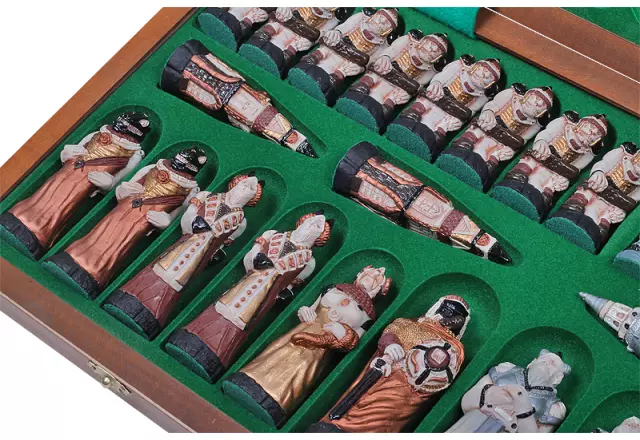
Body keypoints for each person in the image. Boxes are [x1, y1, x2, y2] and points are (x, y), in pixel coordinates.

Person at [165, 212, 333, 383]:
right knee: (222, 308)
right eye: (311, 221)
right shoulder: (273, 235)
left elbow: (289, 286)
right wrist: (257, 262)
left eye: (317, 226)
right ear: (302, 221)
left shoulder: (308, 261)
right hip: (247, 283)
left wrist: (278, 290)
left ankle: (214, 356)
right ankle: (192, 338)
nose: (311, 226)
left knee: (240, 323)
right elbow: (250, 258)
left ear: (319, 238)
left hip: (263, 296)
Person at [223, 266, 391, 428]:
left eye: (377, 279)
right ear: (360, 275)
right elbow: (311, 307)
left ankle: (276, 401)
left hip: (320, 347)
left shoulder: (367, 315)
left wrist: (341, 333)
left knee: (300, 368)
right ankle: (250, 380)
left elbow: (352, 342)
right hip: (303, 330)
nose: (372, 278)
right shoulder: (334, 288)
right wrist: (304, 311)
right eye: (370, 274)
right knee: (278, 353)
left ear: (378, 290)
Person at [103, 174, 262, 340]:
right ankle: (129, 297)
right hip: (186, 242)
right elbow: (189, 214)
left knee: (177, 282)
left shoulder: (240, 220)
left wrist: (213, 245)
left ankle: (151, 314)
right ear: (235, 184)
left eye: (249, 191)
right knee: (160, 267)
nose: (244, 190)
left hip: (200, 254)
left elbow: (225, 241)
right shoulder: (208, 196)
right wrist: (193, 223)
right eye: (243, 185)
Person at [44, 148, 206, 299]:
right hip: (125, 207)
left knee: (119, 243)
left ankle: (94, 273)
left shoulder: (189, 190)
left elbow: (177, 215)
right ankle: (73, 257)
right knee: (100, 232)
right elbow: (127, 185)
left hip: (143, 221)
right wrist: (125, 190)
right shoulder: (154, 168)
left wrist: (166, 220)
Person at [308, 295, 470, 433]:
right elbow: (390, 333)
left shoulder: (454, 349)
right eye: (446, 310)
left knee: (387, 418)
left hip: (409, 392)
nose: (447, 316)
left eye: (456, 315)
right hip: (383, 371)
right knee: (356, 402)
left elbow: (444, 377)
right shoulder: (408, 323)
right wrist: (390, 345)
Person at [0, 112, 150, 259]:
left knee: (63, 205)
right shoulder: (98, 134)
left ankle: (38, 234)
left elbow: (122, 179)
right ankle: (18, 217)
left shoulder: (133, 154)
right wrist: (69, 153)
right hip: (68, 172)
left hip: (85, 184)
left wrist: (108, 183)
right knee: (46, 192)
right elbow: (76, 148)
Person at [161, 39, 317, 157]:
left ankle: (182, 72)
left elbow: (242, 122)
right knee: (211, 73)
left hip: (236, 104)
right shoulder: (266, 113)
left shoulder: (266, 128)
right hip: (237, 92)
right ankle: (186, 66)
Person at [436, 84, 554, 191]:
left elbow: (524, 139)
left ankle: (484, 172)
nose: (534, 103)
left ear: (541, 113)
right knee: (474, 135)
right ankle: (458, 151)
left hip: (502, 142)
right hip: (487, 127)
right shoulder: (511, 96)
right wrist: (488, 112)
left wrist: (511, 150)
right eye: (533, 98)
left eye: (539, 105)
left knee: (489, 156)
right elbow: (493, 104)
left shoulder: (534, 124)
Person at [493, 112, 608, 221]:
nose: (590, 133)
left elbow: (578, 166)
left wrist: (566, 177)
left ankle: (538, 202)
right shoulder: (564, 125)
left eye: (595, 134)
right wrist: (541, 142)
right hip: (541, 157)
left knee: (543, 186)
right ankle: (513, 183)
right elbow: (546, 134)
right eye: (589, 128)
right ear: (581, 123)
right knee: (527, 168)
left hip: (556, 172)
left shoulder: (587, 151)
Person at [387, 56, 501, 161]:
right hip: (437, 98)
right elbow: (441, 76)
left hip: (451, 113)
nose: (483, 76)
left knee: (444, 127)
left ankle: (432, 141)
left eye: (488, 77)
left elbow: (472, 110)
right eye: (482, 70)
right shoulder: (459, 69)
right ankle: (407, 121)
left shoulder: (482, 95)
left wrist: (461, 117)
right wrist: (436, 83)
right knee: (423, 105)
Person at [336, 30, 449, 133]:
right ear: (423, 41)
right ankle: (354, 95)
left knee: (396, 98)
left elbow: (420, 84)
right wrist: (385, 57)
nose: (432, 50)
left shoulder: (429, 69)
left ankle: (380, 113)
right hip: (385, 71)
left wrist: (411, 89)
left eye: (437, 51)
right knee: (370, 78)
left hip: (400, 85)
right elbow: (391, 50)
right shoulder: (407, 44)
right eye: (431, 44)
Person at [289, 8, 400, 105]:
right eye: (380, 17)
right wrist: (337, 32)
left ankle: (328, 86)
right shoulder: (360, 19)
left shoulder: (382, 44)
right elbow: (344, 26)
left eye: (386, 23)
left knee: (345, 71)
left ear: (388, 31)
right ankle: (304, 66)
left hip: (350, 61)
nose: (380, 22)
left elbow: (373, 61)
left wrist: (362, 67)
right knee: (323, 51)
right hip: (336, 47)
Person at [545, 141, 639, 253]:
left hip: (611, 205)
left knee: (603, 220)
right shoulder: (623, 156)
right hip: (595, 189)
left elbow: (634, 198)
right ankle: (566, 211)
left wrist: (621, 209)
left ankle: (594, 233)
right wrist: (598, 173)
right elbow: (604, 163)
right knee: (580, 200)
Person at [447, 350, 570, 433]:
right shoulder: (505, 370)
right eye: (543, 359)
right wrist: (489, 394)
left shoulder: (553, 407)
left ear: (558, 378)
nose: (546, 363)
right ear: (531, 363)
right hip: (475, 419)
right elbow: (467, 401)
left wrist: (524, 412)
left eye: (552, 364)